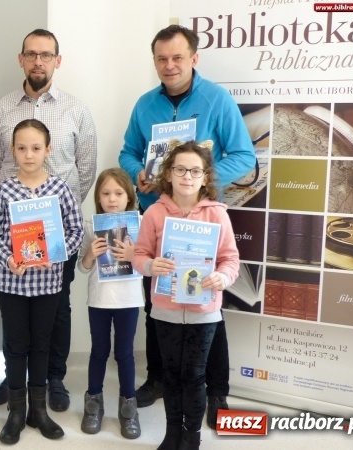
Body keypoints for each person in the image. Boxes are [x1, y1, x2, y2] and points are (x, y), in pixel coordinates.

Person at [117, 24, 255, 427]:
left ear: (194, 59)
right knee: (158, 300)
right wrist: (137, 174)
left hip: (203, 222)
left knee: (206, 307)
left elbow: (245, 157)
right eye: (161, 59)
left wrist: (199, 177)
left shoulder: (216, 99)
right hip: (158, 217)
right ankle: (157, 378)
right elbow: (128, 152)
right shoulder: (145, 105)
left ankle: (216, 391)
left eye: (178, 58)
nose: (169, 65)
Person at [0, 28, 97, 412]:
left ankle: (54, 379)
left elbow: (86, 168)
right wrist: (19, 207)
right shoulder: (1, 109)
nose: (38, 61)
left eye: (46, 55)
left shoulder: (76, 109)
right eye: (31, 54)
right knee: (15, 315)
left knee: (58, 308)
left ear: (56, 61)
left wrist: (52, 216)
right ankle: (14, 377)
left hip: (56, 234)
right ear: (21, 59)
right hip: (13, 230)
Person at [0, 119, 83, 444]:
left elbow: (76, 231)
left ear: (48, 150)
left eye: (36, 148)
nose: (28, 154)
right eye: (21, 148)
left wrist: (58, 251)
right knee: (16, 345)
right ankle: (16, 411)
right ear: (13, 150)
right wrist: (8, 258)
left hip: (49, 283)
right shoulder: (6, 190)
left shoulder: (60, 189)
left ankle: (39, 410)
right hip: (12, 284)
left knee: (41, 343)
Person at [133, 142, 239, 450]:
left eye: (195, 171)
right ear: (168, 174)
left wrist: (223, 276)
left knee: (194, 375)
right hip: (165, 310)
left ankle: (192, 436)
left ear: (205, 177)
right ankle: (171, 432)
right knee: (171, 375)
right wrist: (151, 265)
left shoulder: (218, 215)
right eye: (180, 169)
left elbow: (230, 259)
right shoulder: (154, 213)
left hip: (204, 311)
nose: (187, 177)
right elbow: (140, 255)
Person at [77, 168, 142, 439]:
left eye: (118, 193)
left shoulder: (141, 222)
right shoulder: (92, 226)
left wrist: (133, 253)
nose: (112, 199)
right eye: (105, 193)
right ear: (98, 197)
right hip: (100, 300)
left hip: (129, 300)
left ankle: (128, 406)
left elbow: (148, 266)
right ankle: (93, 403)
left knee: (125, 354)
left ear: (129, 197)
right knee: (99, 351)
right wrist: (91, 255)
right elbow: (83, 267)